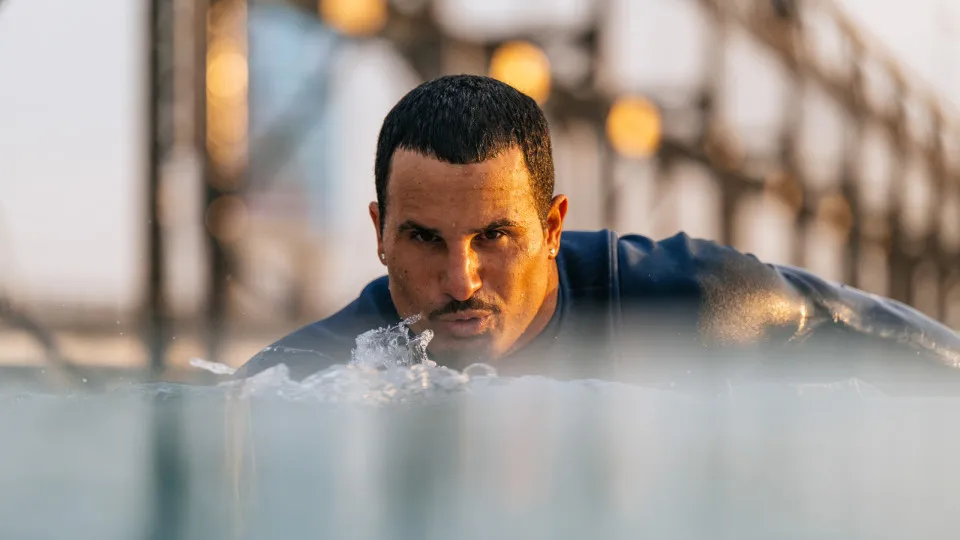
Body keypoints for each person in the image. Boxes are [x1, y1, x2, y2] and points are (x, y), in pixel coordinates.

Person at [235, 74, 960, 392]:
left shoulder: (681, 300)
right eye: (426, 239)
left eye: (495, 236)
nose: (460, 282)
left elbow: (856, 324)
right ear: (379, 232)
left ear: (553, 228)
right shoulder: (308, 376)